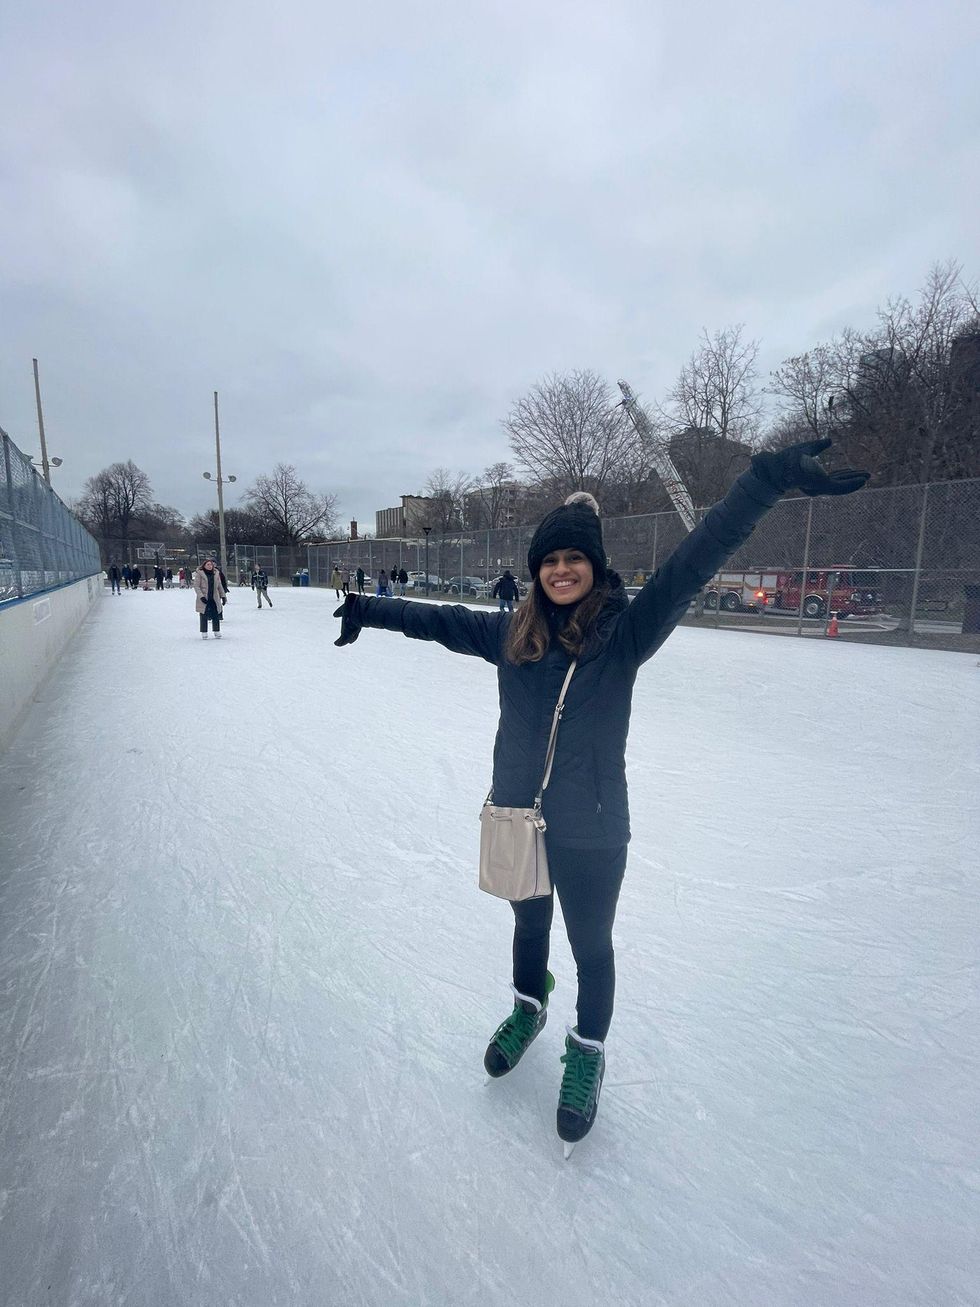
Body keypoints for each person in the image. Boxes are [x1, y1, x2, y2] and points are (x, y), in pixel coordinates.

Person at [332, 439, 869, 1148]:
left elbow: (696, 559)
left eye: (574, 558)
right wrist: (366, 608)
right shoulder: (513, 635)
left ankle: (586, 1051)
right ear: (536, 570)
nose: (561, 570)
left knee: (590, 945)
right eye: (550, 559)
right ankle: (529, 1006)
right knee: (528, 928)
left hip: (591, 824)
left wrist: (765, 481)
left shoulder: (625, 636)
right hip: (518, 815)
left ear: (594, 565)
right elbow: (436, 619)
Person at [194, 558, 228, 638]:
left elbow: (219, 586)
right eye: (208, 564)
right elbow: (196, 586)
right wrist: (201, 596)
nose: (210, 566)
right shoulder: (200, 573)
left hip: (214, 597)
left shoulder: (216, 573)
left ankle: (216, 631)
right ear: (204, 566)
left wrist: (223, 596)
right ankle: (204, 632)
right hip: (204, 597)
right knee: (203, 614)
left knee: (216, 614)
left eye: (211, 565)